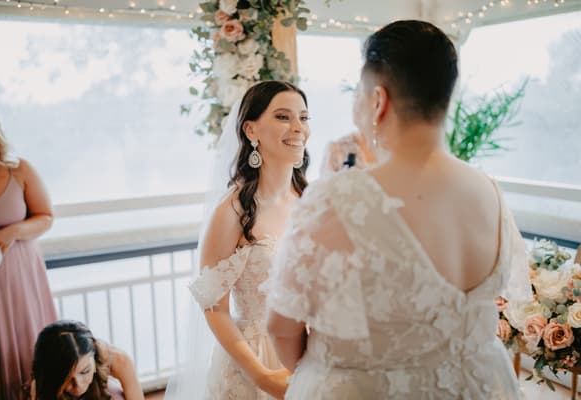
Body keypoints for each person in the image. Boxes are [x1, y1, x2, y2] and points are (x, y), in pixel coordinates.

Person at [266, 20, 531, 399]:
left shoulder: (334, 198)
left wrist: (325, 375)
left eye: (358, 94)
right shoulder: (489, 191)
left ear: (378, 100)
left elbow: (281, 327)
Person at [166, 81, 310, 400]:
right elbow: (214, 308)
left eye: (304, 117)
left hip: (313, 353)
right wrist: (261, 375)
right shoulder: (233, 211)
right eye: (284, 117)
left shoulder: (312, 200)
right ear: (251, 130)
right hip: (258, 358)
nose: (298, 127)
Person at [0, 105, 58, 400]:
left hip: (18, 277)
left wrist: (13, 231)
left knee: (26, 349)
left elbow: (46, 216)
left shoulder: (18, 169)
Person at [29, 320, 144, 400]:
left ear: (94, 359)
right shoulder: (41, 386)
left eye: (85, 371)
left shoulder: (119, 360)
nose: (78, 385)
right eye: (67, 379)